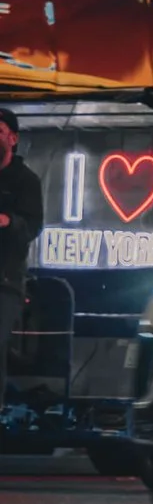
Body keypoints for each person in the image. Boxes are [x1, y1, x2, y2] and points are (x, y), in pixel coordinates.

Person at [0, 108, 43, 403]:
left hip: (5, 281)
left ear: (12, 138)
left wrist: (6, 221)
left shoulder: (26, 180)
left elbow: (32, 227)